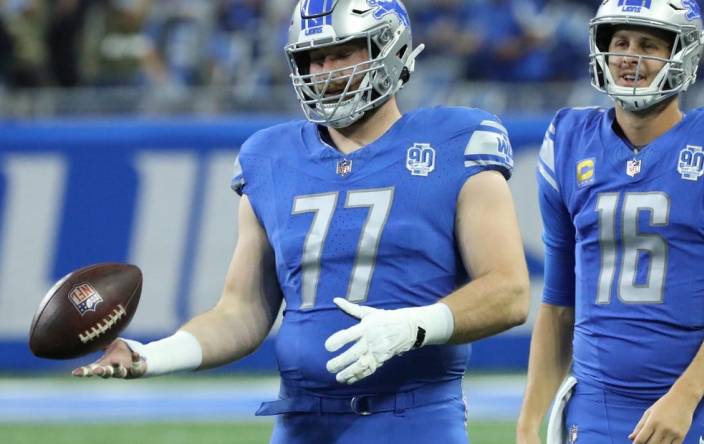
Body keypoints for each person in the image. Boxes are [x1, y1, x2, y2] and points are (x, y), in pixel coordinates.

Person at [73, 1, 530, 443]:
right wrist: (150, 355)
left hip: (414, 418)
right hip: (302, 422)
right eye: (312, 59)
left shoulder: (454, 142)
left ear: (387, 49)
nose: (324, 71)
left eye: (341, 53)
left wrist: (414, 327)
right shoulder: (270, 157)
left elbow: (509, 291)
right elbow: (241, 313)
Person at [516, 1, 704, 443]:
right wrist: (529, 423)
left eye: (648, 44)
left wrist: (685, 397)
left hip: (696, 415)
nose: (629, 56)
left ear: (683, 54)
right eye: (620, 42)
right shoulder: (568, 143)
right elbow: (558, 306)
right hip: (594, 415)